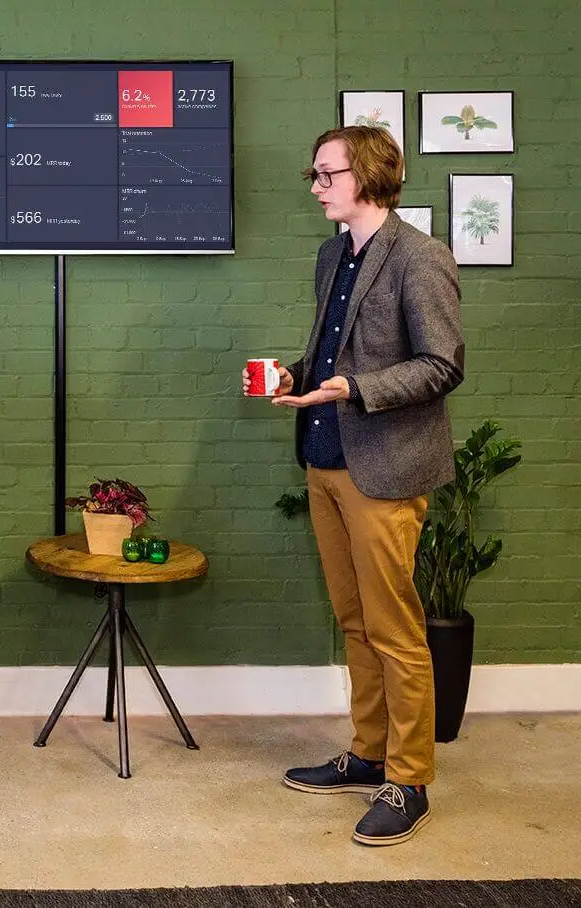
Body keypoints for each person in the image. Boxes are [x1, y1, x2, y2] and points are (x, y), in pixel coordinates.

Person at [262, 125, 464, 846]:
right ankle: (369, 753)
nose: (317, 187)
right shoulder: (332, 255)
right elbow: (330, 354)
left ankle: (409, 781)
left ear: (370, 174)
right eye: (314, 175)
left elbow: (442, 364)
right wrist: (294, 374)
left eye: (328, 174)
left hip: (386, 468)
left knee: (394, 630)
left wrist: (355, 388)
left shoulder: (421, 257)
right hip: (325, 460)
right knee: (353, 621)